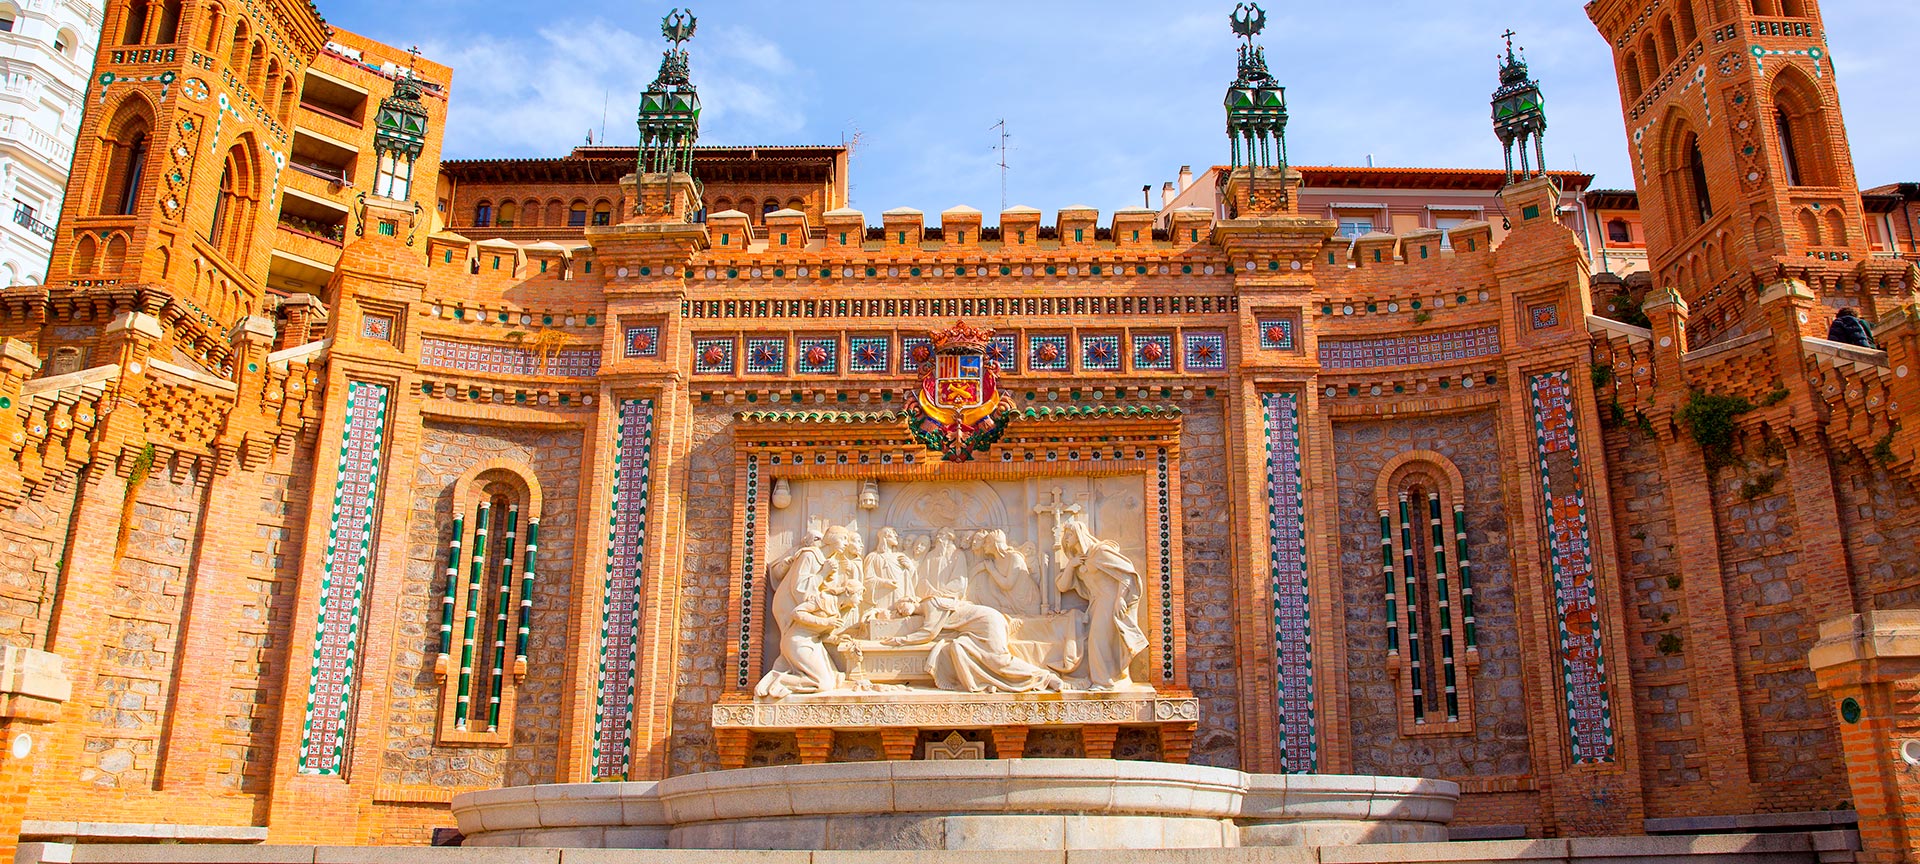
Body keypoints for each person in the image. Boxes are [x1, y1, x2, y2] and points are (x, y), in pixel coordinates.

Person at [883, 597, 1063, 693]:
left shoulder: (930, 603)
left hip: (986, 622)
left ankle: (1045, 677)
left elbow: (928, 633)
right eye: (900, 611)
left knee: (1000, 660)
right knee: (959, 647)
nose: (902, 610)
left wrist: (900, 640)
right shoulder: (929, 609)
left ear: (911, 600)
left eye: (902, 605)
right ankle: (983, 681)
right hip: (975, 629)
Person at [1054, 518, 1148, 690]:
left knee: (1099, 640)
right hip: (1097, 603)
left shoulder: (1100, 552)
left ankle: (1104, 682)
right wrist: (1071, 566)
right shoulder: (1079, 559)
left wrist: (1120, 598)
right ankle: (1105, 679)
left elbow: (1126, 574)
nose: (1066, 538)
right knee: (1095, 641)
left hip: (1110, 600)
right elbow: (1062, 586)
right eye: (1065, 535)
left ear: (1078, 534)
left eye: (1069, 534)